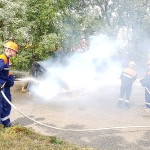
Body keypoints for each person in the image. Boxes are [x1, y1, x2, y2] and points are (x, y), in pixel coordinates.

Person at [0, 40, 18, 127]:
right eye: (15, 51)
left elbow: (5, 73)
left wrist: (11, 78)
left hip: (5, 87)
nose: (16, 53)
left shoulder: (7, 59)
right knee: (0, 105)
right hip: (1, 88)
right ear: (10, 50)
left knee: (6, 105)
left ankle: (5, 123)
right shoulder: (2, 58)